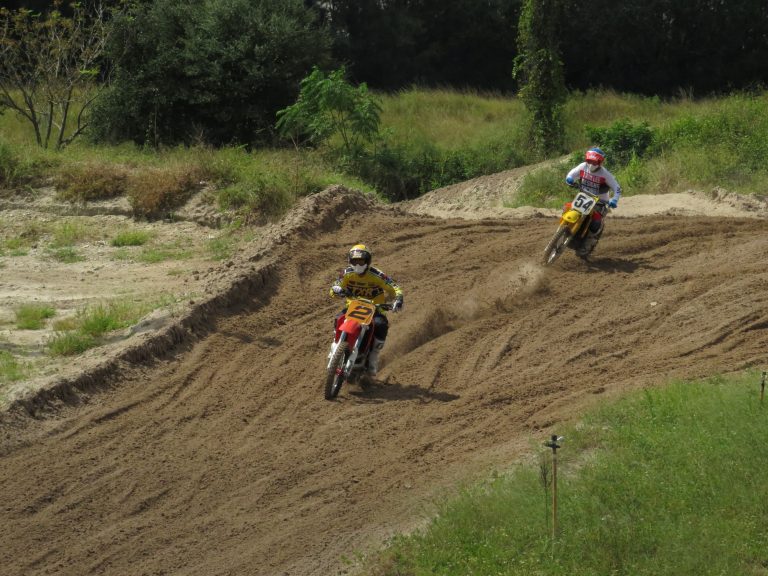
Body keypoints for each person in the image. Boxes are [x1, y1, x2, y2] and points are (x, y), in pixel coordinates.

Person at [329, 244, 404, 376]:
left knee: (381, 325)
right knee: (338, 318)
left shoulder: (377, 275)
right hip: (353, 306)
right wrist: (336, 290)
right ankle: (336, 345)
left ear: (367, 261)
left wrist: (398, 299)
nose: (358, 264)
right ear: (350, 261)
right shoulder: (346, 273)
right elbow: (335, 287)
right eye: (355, 261)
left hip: (375, 309)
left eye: (361, 261)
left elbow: (394, 287)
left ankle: (373, 357)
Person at [564, 147, 622, 257]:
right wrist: (569, 179)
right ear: (587, 159)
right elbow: (571, 174)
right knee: (567, 207)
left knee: (596, 221)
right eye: (589, 161)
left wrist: (614, 200)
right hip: (584, 196)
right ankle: (565, 228)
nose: (591, 164)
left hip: (600, 201)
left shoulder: (605, 174)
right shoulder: (583, 166)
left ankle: (588, 242)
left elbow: (617, 188)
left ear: (600, 162)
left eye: (594, 162)